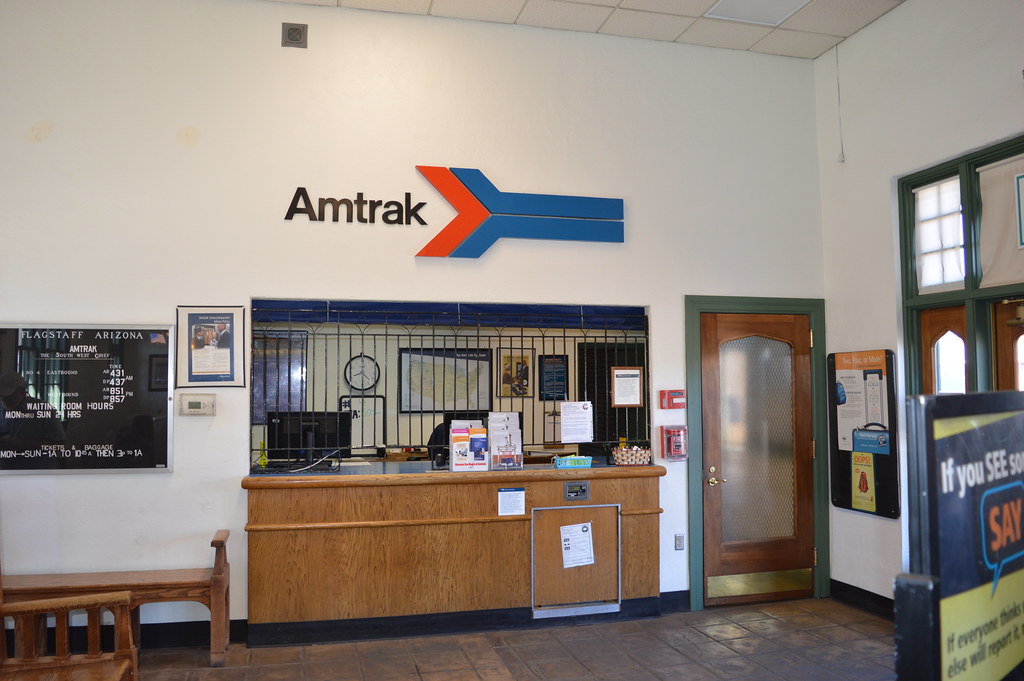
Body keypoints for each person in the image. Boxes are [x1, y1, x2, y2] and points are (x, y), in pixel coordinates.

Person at [0, 372, 65, 452]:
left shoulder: (44, 409)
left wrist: (25, 445)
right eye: (1, 395)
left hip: (36, 464)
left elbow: (60, 446)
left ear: (22, 391)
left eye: (8, 395)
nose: (3, 398)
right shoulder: (1, 408)